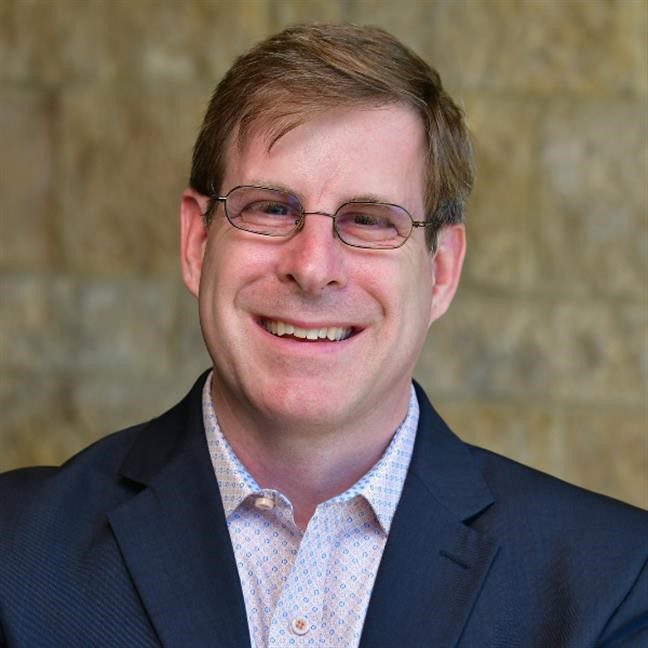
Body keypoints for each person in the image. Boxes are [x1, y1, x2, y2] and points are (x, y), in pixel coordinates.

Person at [0, 23, 646, 648]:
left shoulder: (612, 582)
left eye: (369, 220)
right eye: (270, 208)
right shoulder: (14, 552)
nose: (312, 268)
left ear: (441, 270)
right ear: (197, 242)